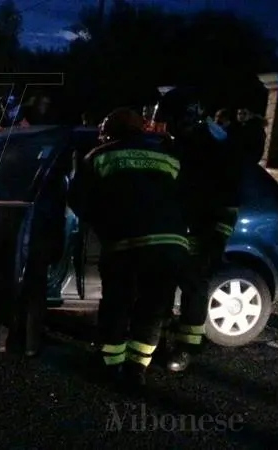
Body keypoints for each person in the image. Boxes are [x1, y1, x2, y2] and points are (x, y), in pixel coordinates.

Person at [68, 107, 193, 386]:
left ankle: (110, 367)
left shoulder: (98, 157)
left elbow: (77, 200)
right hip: (171, 245)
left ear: (109, 133)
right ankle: (137, 370)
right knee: (153, 308)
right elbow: (185, 197)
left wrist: (105, 225)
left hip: (126, 244)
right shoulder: (167, 156)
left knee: (117, 304)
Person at [152, 87, 247, 372]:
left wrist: (218, 238)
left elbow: (230, 198)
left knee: (193, 289)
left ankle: (187, 348)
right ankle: (161, 341)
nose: (165, 127)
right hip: (172, 230)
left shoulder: (216, 149)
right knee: (162, 288)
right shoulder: (173, 144)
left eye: (169, 120)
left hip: (200, 233)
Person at [0, 145, 69, 356]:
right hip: (36, 240)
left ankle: (18, 341)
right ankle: (28, 344)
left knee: (22, 291)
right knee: (33, 293)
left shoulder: (27, 173)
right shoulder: (56, 180)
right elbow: (58, 216)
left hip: (30, 240)